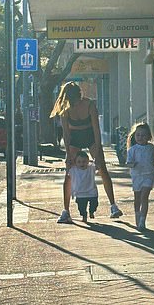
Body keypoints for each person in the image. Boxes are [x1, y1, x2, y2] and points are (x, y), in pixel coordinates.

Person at [50, 81, 123, 223]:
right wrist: (68, 155)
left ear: (80, 95)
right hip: (74, 138)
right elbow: (66, 133)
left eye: (76, 100)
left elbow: (96, 129)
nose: (75, 104)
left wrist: (99, 151)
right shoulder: (65, 107)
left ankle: (113, 205)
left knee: (102, 169)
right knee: (69, 173)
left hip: (90, 136)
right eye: (72, 101)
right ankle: (66, 211)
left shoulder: (89, 105)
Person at [126, 122, 154, 231]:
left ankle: (143, 220)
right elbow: (128, 162)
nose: (140, 137)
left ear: (148, 136)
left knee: (144, 197)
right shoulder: (132, 150)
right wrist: (132, 164)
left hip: (149, 175)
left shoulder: (151, 148)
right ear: (134, 136)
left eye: (143, 135)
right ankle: (137, 215)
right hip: (137, 176)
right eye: (138, 135)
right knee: (137, 199)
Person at [69, 150, 98, 222]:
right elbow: (68, 167)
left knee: (94, 204)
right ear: (75, 162)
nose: (82, 163)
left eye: (84, 161)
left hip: (92, 191)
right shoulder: (74, 169)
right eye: (79, 162)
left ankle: (92, 211)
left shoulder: (91, 168)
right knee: (81, 208)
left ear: (88, 161)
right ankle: (84, 215)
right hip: (80, 193)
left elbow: (97, 165)